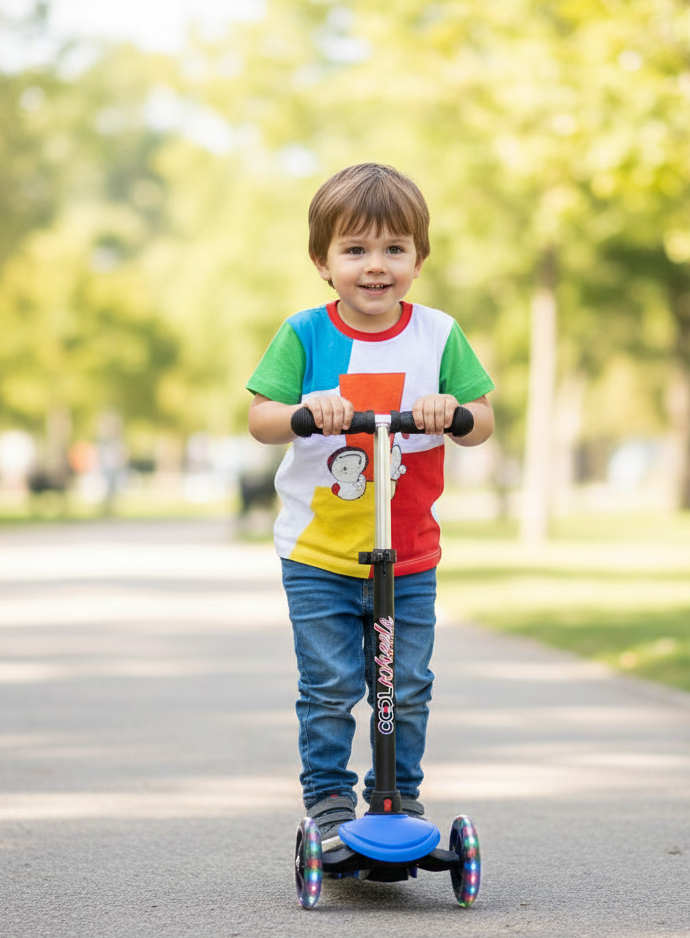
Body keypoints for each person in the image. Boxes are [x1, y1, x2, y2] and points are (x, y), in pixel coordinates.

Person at [246, 162, 494, 848]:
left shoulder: (438, 335)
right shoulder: (304, 334)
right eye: (355, 250)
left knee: (406, 684)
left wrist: (452, 411)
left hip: (408, 551)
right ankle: (328, 803)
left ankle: (399, 797)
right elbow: (261, 419)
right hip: (320, 550)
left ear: (419, 258)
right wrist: (305, 409)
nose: (374, 266)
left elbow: (484, 417)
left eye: (393, 249)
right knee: (329, 685)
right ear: (323, 262)